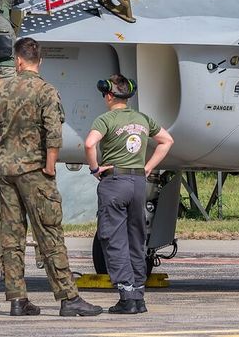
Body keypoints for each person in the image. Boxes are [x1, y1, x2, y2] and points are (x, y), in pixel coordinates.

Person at [0, 37, 102, 317]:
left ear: (18, 61)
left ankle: (18, 299)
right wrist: (51, 165)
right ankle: (68, 298)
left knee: (11, 238)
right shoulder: (46, 92)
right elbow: (54, 133)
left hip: (6, 173)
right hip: (36, 172)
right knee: (50, 234)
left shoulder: (1, 91)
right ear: (38, 61)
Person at [83, 74, 174, 314]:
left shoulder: (106, 119)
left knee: (113, 239)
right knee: (136, 239)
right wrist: (149, 166)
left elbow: (90, 144)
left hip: (114, 181)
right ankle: (138, 296)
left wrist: (94, 169)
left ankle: (126, 296)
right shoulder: (142, 119)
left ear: (109, 95)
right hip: (137, 183)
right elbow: (166, 140)